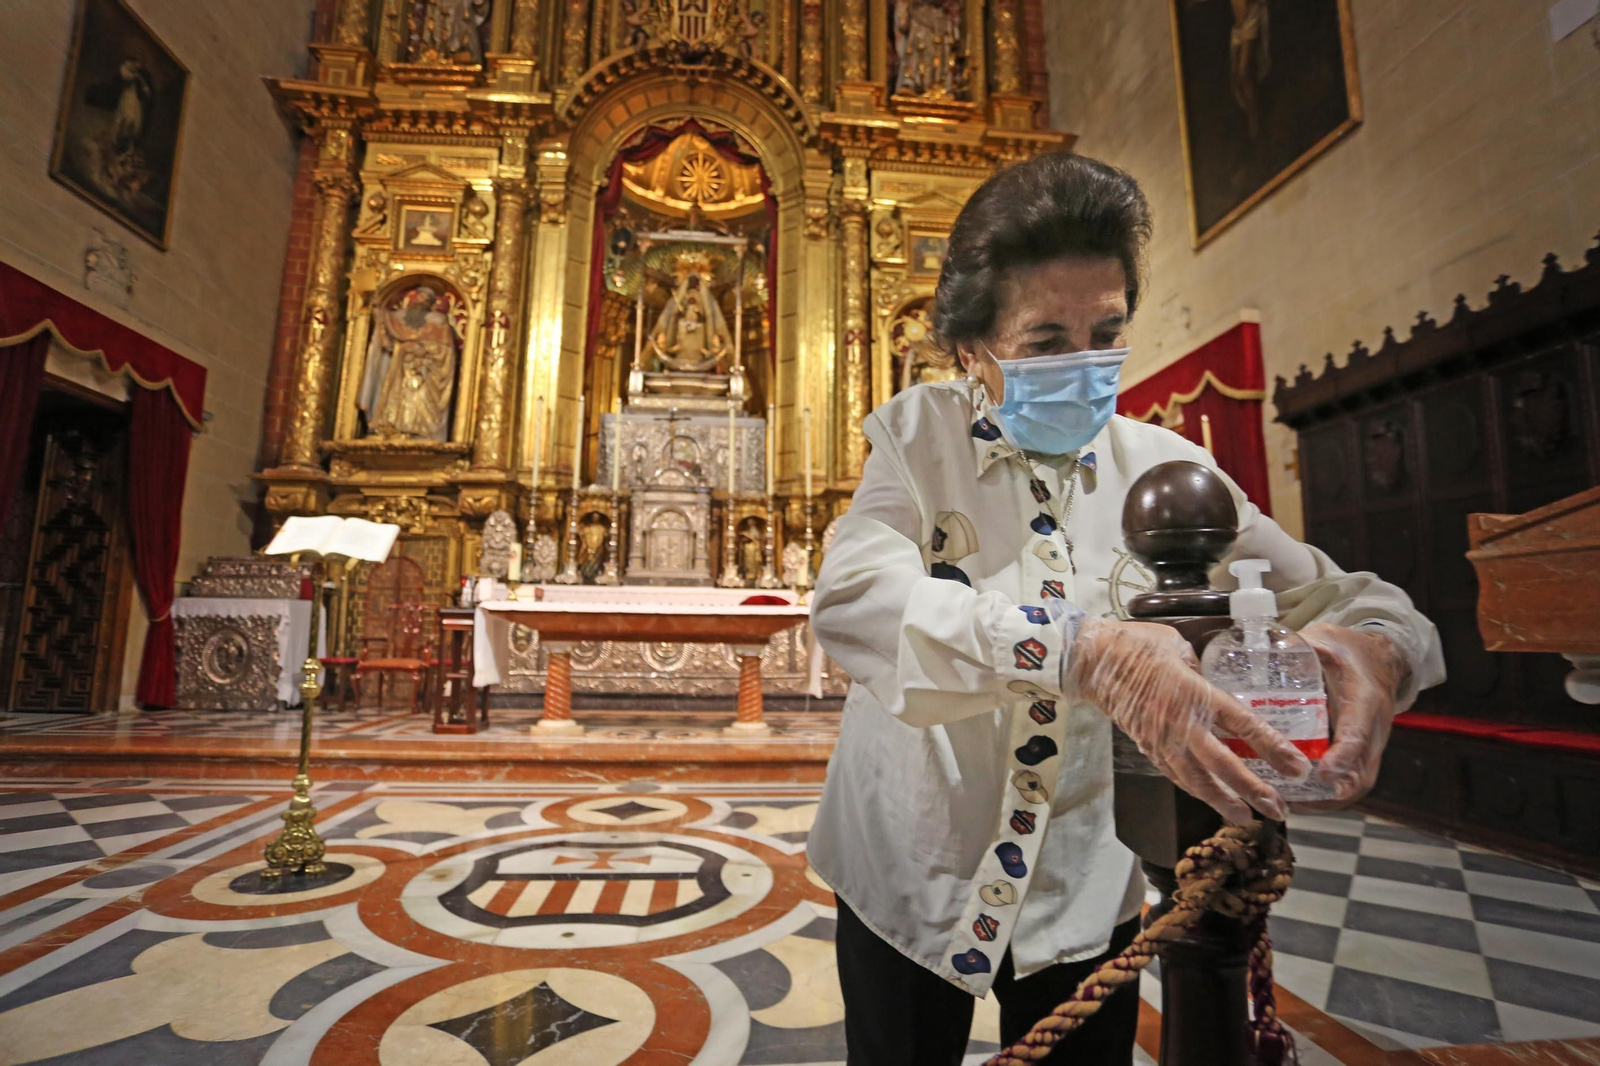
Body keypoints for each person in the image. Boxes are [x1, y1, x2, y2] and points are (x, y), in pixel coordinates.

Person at [808, 152, 1443, 1066]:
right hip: (913, 856)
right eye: (1046, 343)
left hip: (1086, 878)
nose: (1085, 367)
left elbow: (1350, 597)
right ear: (970, 350)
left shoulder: (1167, 468)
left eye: (1106, 332)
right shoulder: (919, 437)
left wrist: (1381, 649)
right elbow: (859, 600)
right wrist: (1083, 652)